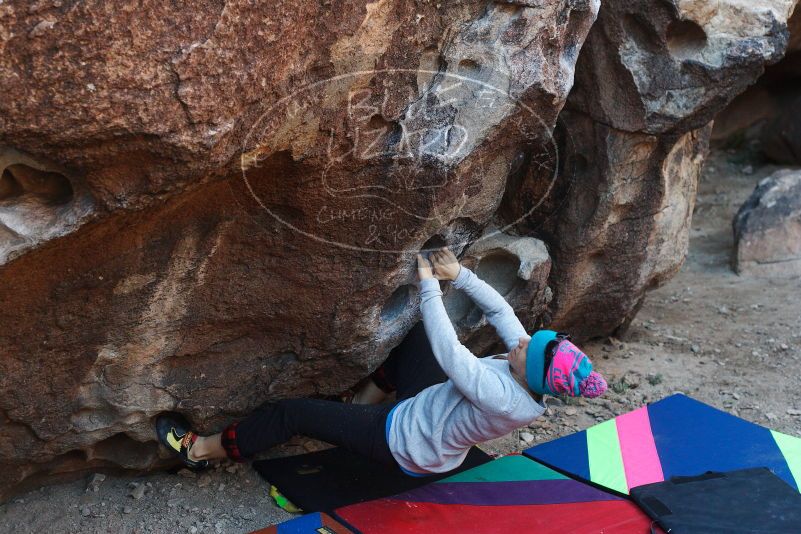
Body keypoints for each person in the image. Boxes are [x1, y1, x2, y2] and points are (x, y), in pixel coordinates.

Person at [156, 247, 607, 473]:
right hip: (427, 407)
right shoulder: (529, 370)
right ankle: (357, 407)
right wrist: (461, 275)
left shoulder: (504, 397)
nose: (522, 341)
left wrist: (430, 284)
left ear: (529, 375)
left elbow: (452, 354)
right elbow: (503, 314)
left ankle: (201, 450)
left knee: (291, 413)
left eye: (529, 346)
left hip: (403, 443)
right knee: (416, 339)